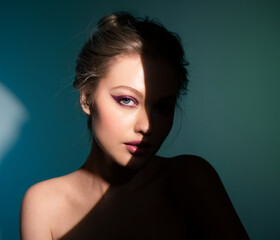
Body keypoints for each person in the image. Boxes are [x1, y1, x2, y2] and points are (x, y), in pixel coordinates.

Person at [20, 12, 249, 240]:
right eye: (127, 100)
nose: (146, 126)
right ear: (86, 98)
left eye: (162, 107)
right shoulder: (45, 206)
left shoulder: (190, 181)